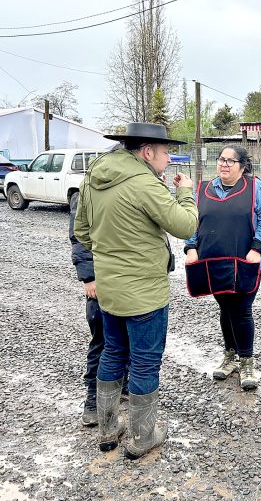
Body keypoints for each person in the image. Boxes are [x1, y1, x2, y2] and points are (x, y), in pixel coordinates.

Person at [74, 123, 197, 459]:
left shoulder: (95, 178)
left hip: (110, 291)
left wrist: (111, 251)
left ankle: (108, 430)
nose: (169, 159)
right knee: (144, 363)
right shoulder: (144, 183)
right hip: (144, 293)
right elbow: (185, 225)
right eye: (165, 151)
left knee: (113, 353)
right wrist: (185, 192)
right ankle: (144, 437)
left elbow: (81, 231)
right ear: (147, 152)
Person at [184, 145, 261, 391]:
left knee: (242, 308)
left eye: (230, 161)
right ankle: (230, 356)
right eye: (221, 159)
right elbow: (192, 221)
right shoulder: (203, 189)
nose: (224, 164)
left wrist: (257, 249)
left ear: (243, 166)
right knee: (226, 308)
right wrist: (190, 247)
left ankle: (247, 361)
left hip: (246, 263)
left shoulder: (255, 188)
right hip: (213, 263)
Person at [69, 189, 128, 427]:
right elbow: (79, 236)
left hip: (133, 281)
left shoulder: (138, 185)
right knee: (103, 342)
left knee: (132, 339)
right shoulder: (89, 190)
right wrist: (89, 277)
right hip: (102, 281)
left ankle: (123, 387)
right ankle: (93, 402)